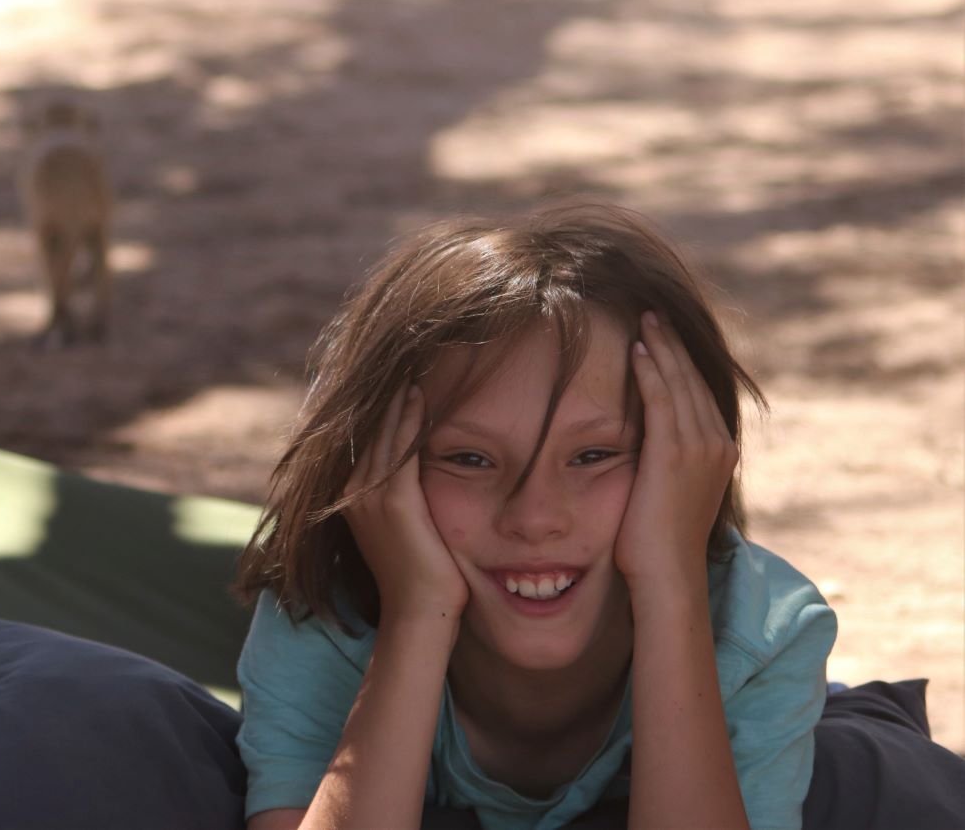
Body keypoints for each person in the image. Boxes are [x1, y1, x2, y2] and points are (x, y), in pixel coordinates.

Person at [233, 201, 838, 830]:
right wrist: (418, 612)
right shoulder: (325, 614)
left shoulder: (760, 634)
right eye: (469, 459)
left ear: (690, 463)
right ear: (375, 470)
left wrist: (670, 582)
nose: (535, 517)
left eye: (594, 455)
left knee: (877, 779)